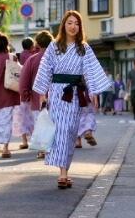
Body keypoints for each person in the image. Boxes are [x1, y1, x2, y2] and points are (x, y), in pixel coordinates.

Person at [33, 10, 111, 189]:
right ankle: (63, 173)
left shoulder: (84, 48)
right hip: (58, 92)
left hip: (75, 93)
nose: (73, 26)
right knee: (60, 130)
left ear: (80, 26)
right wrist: (43, 92)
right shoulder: (54, 46)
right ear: (64, 25)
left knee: (70, 131)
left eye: (76, 23)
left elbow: (90, 72)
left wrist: (93, 92)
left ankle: (65, 169)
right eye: (69, 23)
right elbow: (45, 69)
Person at [19, 30, 54, 158]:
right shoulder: (58, 57)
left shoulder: (32, 59)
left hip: (36, 98)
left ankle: (42, 149)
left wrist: (25, 94)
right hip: (56, 97)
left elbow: (24, 79)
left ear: (37, 43)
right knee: (54, 123)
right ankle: (52, 147)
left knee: (39, 124)